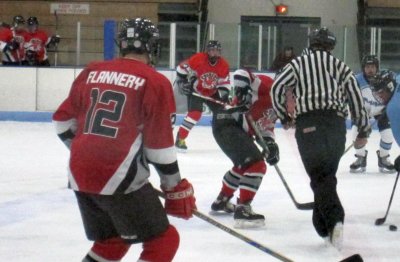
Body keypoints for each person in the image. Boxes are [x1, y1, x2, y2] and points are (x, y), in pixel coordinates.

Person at [52, 18, 196, 262]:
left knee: (111, 242)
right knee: (164, 240)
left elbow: (62, 123)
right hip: (119, 176)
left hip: (79, 173)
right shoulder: (155, 81)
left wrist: (89, 151)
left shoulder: (92, 71)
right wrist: (173, 188)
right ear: (152, 46)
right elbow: (159, 146)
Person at [271, 27, 370, 249]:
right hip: (336, 126)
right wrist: (363, 129)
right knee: (326, 175)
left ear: (312, 43)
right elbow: (356, 99)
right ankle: (324, 226)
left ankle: (334, 220)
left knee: (319, 176)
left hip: (309, 125)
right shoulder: (341, 67)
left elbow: (277, 87)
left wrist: (284, 116)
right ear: (331, 45)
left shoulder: (298, 64)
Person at [209, 69, 279, 228]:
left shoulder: (278, 107)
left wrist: (270, 144)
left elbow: (265, 129)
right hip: (229, 121)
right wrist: (242, 90)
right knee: (256, 165)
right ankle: (243, 209)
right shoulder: (269, 86)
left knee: (244, 166)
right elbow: (242, 73)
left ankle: (222, 201)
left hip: (230, 126)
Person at [174, 40, 230, 151]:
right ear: (207, 51)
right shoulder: (198, 59)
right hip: (197, 91)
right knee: (195, 114)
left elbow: (224, 83)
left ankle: (227, 139)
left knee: (222, 115)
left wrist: (224, 95)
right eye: (212, 51)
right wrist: (182, 81)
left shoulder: (223, 64)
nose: (214, 53)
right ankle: (180, 138)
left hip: (212, 92)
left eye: (217, 51)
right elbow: (181, 68)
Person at [349, 55, 396, 173]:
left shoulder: (384, 79)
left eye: (373, 67)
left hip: (381, 112)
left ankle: (383, 157)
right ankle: (361, 157)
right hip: (362, 112)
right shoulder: (356, 80)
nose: (370, 69)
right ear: (363, 68)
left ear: (377, 68)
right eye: (367, 67)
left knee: (388, 135)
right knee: (355, 135)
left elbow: (393, 94)